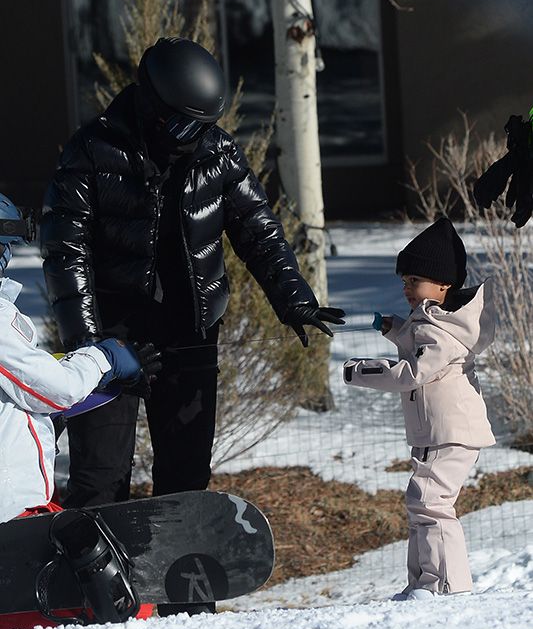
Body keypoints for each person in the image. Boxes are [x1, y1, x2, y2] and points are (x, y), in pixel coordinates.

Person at [40, 36, 345, 515]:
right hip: (110, 340)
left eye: (207, 125)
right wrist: (88, 347)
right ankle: (101, 590)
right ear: (152, 107)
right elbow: (65, 254)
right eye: (187, 125)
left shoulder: (216, 152)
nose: (197, 136)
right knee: (100, 480)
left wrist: (293, 296)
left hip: (189, 333)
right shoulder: (91, 152)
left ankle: (187, 592)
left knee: (185, 485)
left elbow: (258, 230)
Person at [343, 218, 496, 599]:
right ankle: (422, 585)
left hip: (451, 432)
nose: (407, 288)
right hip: (436, 431)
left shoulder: (442, 330)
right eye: (404, 281)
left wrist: (357, 371)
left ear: (443, 283)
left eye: (415, 281)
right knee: (421, 503)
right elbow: (419, 338)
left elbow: (412, 371)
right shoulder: (437, 320)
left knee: (430, 502)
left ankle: (444, 586)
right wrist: (394, 327)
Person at [0, 192, 157, 525]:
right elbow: (55, 390)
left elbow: (23, 381)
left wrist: (94, 375)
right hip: (11, 509)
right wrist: (106, 358)